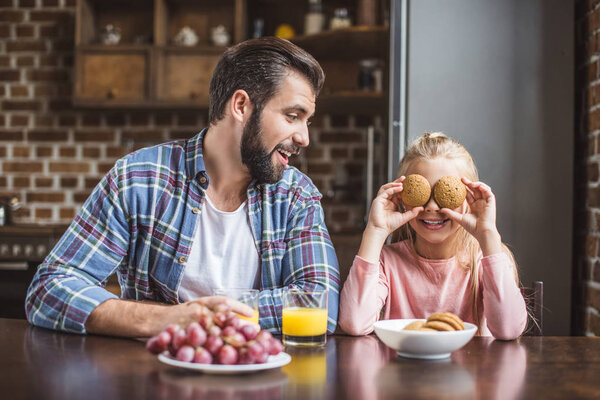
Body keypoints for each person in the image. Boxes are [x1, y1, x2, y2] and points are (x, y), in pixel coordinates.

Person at [25, 37, 340, 337]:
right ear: (242, 106)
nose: (304, 138)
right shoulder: (139, 178)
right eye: (292, 116)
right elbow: (50, 288)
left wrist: (206, 315)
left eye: (306, 120)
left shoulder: (295, 195)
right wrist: (161, 319)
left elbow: (321, 304)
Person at [339, 132, 527, 340]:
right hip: (400, 371)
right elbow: (353, 323)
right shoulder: (385, 261)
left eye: (443, 194)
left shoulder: (486, 260)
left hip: (473, 371)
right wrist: (374, 231)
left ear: (469, 197)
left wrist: (488, 235)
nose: (431, 206)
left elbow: (509, 330)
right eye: (423, 193)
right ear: (402, 198)